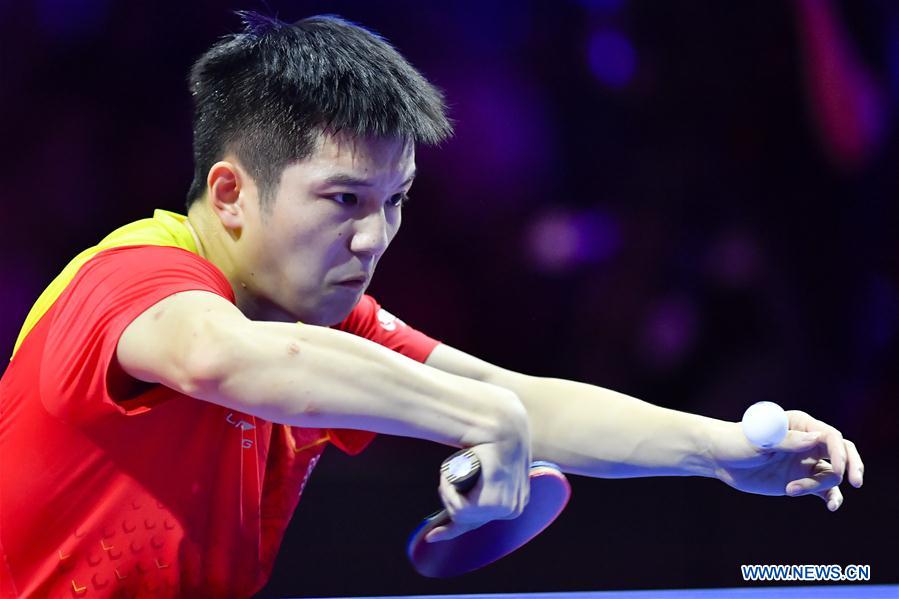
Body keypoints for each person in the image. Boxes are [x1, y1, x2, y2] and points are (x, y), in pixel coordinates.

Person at [0, 12, 864, 599]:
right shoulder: (130, 279)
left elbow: (525, 397)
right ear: (230, 192)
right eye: (343, 200)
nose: (376, 238)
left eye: (396, 199)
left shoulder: (321, 325)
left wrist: (718, 452)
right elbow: (216, 357)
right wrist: (478, 415)